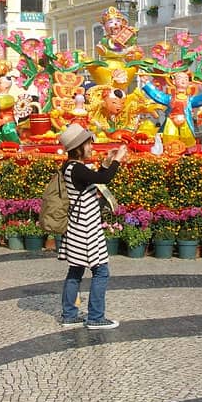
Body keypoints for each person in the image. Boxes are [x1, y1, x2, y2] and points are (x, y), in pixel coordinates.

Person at [57, 123, 126, 330]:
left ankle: (69, 315)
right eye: (88, 143)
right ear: (79, 146)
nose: (91, 147)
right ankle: (96, 317)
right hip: (87, 228)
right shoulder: (77, 168)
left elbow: (95, 178)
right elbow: (103, 179)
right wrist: (117, 161)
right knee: (101, 271)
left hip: (77, 226)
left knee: (76, 270)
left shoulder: (70, 167)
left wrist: (105, 162)